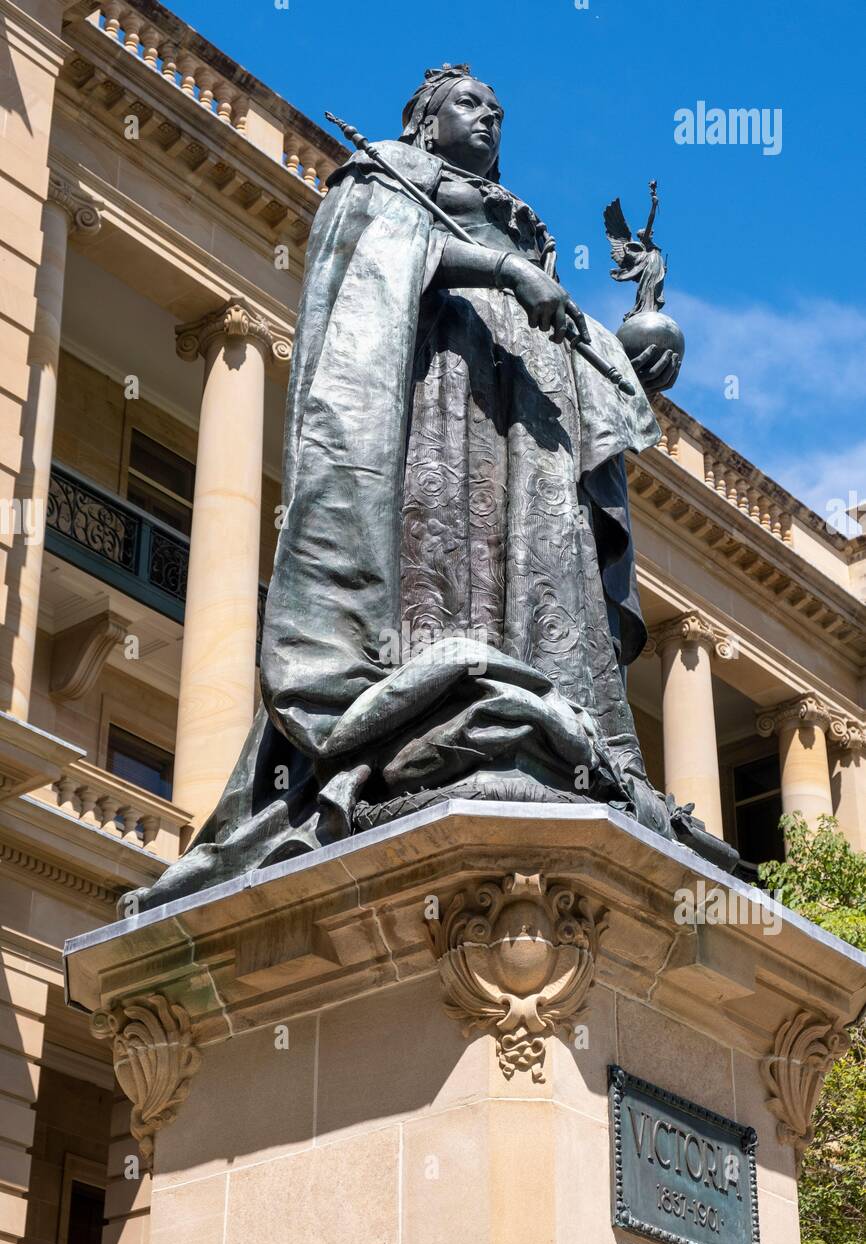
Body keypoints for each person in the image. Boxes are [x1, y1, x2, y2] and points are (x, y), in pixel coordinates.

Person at [132, 64, 733, 915]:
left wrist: (626, 354)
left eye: (497, 110)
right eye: (468, 105)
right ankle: (430, 711)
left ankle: (534, 726)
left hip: (518, 440)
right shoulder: (385, 174)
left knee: (533, 583)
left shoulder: (519, 225)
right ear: (424, 121)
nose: (488, 119)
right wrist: (499, 271)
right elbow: (373, 257)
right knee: (442, 562)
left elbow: (553, 337)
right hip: (433, 413)